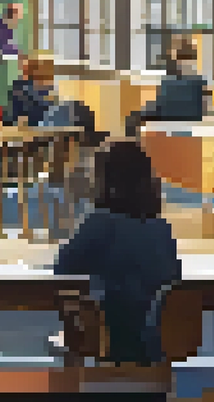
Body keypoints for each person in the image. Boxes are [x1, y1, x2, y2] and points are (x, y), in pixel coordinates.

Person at [54, 140, 181, 365]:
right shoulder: (161, 229)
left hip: (113, 337)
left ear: (106, 182)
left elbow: (63, 269)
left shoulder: (101, 224)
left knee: (71, 334)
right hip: (160, 341)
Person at [7, 55, 56, 127]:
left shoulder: (45, 89)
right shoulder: (19, 85)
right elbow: (13, 109)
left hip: (36, 123)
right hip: (22, 123)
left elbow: (45, 110)